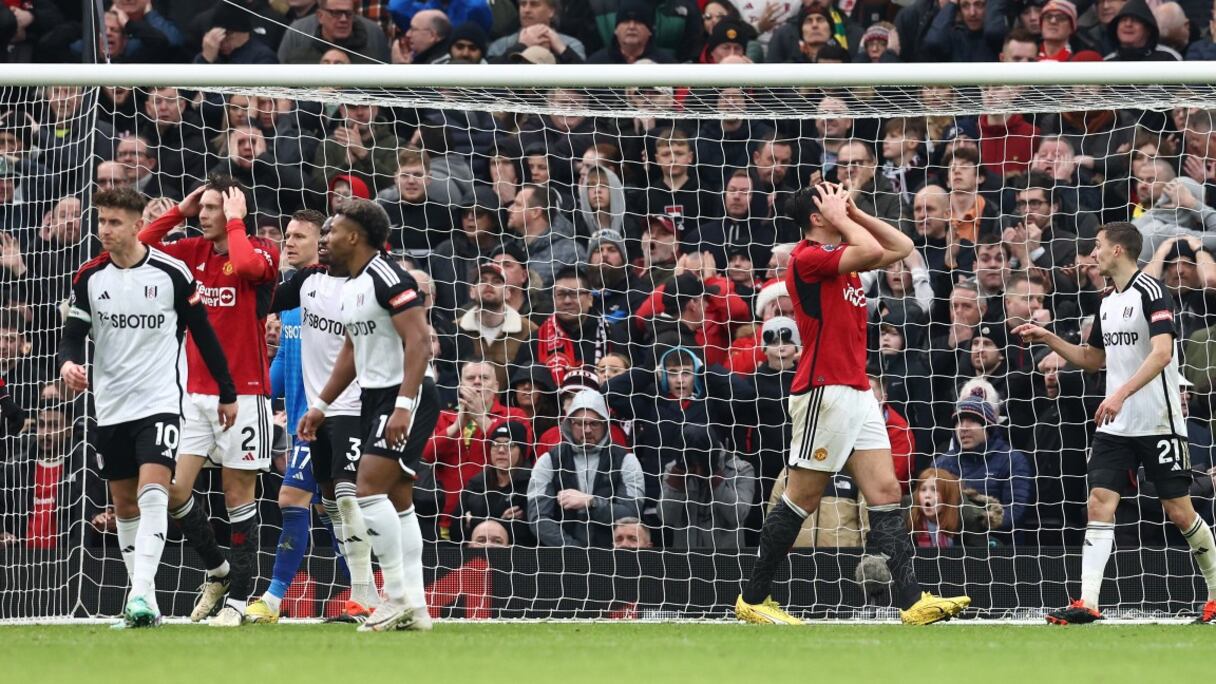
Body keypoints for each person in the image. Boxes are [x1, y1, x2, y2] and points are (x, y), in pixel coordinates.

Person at [736, 183, 970, 625]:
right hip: (823, 391)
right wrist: (847, 219)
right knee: (800, 497)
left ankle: (912, 601)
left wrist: (854, 214)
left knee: (885, 491)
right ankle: (752, 597)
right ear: (818, 215)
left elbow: (901, 245)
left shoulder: (842, 257)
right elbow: (869, 249)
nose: (848, 201)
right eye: (837, 198)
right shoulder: (807, 258)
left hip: (858, 391)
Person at [1014, 222, 1216, 624]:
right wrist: (1048, 337)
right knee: (1099, 503)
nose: (1093, 253)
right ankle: (1088, 601)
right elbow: (1093, 358)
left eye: (1098, 245)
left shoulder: (1152, 292)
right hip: (1117, 425)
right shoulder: (1106, 300)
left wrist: (1120, 393)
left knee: (1179, 511)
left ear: (1119, 250)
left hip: (1159, 420)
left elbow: (1161, 353)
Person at [58, 188, 237, 628]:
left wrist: (227, 391)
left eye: (115, 222)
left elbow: (205, 336)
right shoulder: (89, 276)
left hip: (159, 400)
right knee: (124, 506)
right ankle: (149, 604)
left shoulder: (171, 272)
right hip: (111, 404)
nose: (105, 230)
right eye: (101, 221)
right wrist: (67, 364)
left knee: (154, 490)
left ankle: (137, 593)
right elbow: (73, 333)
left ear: (139, 225)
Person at [136, 175, 279, 627]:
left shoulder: (260, 251)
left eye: (214, 207)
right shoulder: (190, 252)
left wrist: (235, 224)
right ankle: (218, 571)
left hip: (246, 394)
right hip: (192, 394)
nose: (205, 214)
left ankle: (239, 598)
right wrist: (180, 209)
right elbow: (140, 245)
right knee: (174, 491)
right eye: (204, 207)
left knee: (237, 493)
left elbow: (249, 268)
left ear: (235, 210)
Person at [298, 198, 441, 632]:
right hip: (377, 396)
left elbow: (419, 342)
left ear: (355, 237)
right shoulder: (352, 283)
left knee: (366, 491)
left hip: (406, 394)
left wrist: (402, 404)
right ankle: (415, 608)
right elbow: (351, 349)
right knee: (397, 503)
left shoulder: (388, 277)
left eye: (332, 231)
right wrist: (320, 406)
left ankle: (394, 597)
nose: (325, 238)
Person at [245, 212, 379, 624]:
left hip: (349, 410)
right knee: (330, 508)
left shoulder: (364, 286)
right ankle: (368, 593)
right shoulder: (300, 290)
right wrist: (257, 396)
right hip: (311, 417)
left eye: (301, 236)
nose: (290, 242)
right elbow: (285, 359)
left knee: (317, 499)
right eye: (286, 236)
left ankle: (274, 598)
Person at [527, 389, 644, 548]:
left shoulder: (626, 461)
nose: (587, 430)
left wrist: (591, 502)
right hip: (562, 560)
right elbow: (538, 518)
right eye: (580, 423)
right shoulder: (548, 461)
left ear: (605, 424)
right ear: (569, 424)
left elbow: (631, 513)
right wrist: (573, 550)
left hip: (613, 557)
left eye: (594, 423)